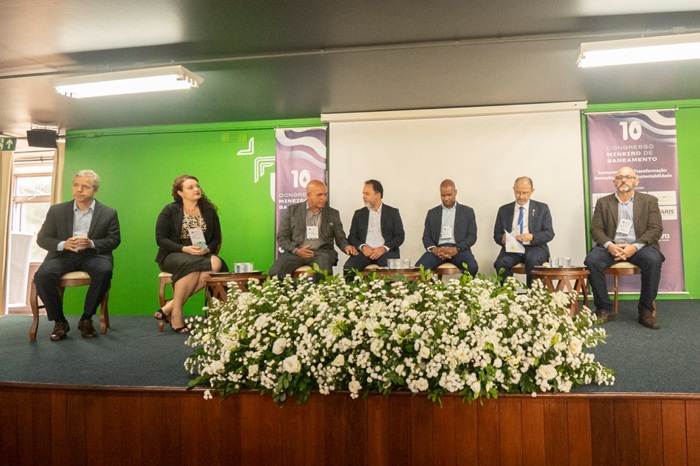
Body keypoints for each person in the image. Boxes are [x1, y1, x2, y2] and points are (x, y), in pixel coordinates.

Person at [34, 169, 121, 341]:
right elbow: (42, 238)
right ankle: (59, 321)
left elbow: (114, 240)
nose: (79, 190)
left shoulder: (109, 213)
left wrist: (91, 243)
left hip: (94, 256)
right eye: (75, 185)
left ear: (95, 190)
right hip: (63, 255)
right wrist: (63, 244)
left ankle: (86, 319)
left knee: (104, 271)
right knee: (42, 275)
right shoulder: (56, 210)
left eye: (85, 187)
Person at [584, 166, 663, 329]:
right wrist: (610, 245)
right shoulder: (603, 202)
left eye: (628, 177)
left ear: (636, 181)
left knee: (653, 260)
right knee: (592, 260)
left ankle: (646, 311)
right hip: (611, 247)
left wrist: (635, 247)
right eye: (620, 177)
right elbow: (596, 229)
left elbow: (655, 229)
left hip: (639, 246)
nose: (624, 180)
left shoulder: (649, 201)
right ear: (614, 182)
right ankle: (604, 308)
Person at [155, 175, 224, 333]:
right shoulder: (170, 210)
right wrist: (184, 249)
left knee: (216, 263)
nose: (196, 189)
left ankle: (171, 306)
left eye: (197, 186)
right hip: (174, 253)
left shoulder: (208, 211)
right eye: (190, 187)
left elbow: (216, 238)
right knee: (192, 265)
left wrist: (207, 249)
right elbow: (161, 239)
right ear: (180, 193)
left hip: (201, 252)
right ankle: (176, 314)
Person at [269, 179, 357, 280]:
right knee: (275, 274)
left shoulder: (333, 214)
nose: (324, 198)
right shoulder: (292, 211)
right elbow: (282, 237)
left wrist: (346, 246)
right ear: (309, 195)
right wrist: (296, 250)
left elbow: (340, 237)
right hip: (296, 252)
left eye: (325, 194)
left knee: (322, 273)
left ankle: (318, 291)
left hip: (322, 252)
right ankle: (291, 291)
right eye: (319, 195)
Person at [492, 176, 554, 287]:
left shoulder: (542, 208)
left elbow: (549, 233)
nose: (521, 196)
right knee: (501, 263)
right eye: (518, 192)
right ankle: (508, 294)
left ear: (532, 191)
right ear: (513, 189)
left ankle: (533, 294)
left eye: (525, 193)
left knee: (533, 261)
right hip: (512, 248)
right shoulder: (504, 210)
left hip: (535, 247)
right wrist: (503, 239)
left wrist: (532, 237)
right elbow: (497, 235)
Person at [415, 179, 478, 274]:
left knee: (472, 267)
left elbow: (472, 236)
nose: (446, 198)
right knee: (419, 269)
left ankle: (461, 284)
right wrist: (434, 249)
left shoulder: (467, 212)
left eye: (449, 195)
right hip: (438, 249)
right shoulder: (432, 213)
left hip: (459, 250)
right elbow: (426, 237)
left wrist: (456, 249)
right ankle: (434, 284)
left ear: (455, 192)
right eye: (443, 195)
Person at [344, 179, 405, 274]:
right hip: (364, 253)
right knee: (349, 268)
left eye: (367, 194)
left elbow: (400, 236)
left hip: (385, 252)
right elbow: (352, 236)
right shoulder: (359, 214)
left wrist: (384, 248)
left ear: (378, 195)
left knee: (388, 271)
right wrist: (363, 247)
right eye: (363, 193)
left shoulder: (392, 212)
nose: (363, 197)